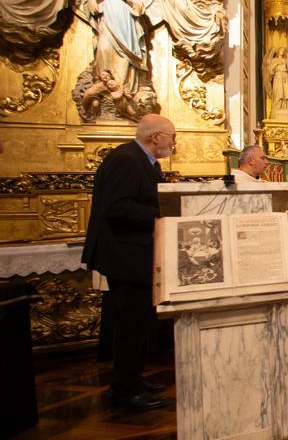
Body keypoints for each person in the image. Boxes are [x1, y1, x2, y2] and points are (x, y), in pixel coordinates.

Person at [81, 114, 175, 411]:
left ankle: (132, 379)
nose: (174, 143)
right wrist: (163, 215)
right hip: (126, 256)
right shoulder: (126, 159)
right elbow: (117, 208)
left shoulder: (143, 161)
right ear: (156, 136)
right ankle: (125, 390)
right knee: (130, 325)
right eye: (172, 136)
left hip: (137, 255)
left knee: (138, 324)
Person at [88, 0, 149, 96]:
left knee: (124, 56)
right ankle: (103, 88)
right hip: (107, 27)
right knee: (103, 49)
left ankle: (122, 88)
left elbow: (140, 8)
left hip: (125, 28)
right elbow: (92, 8)